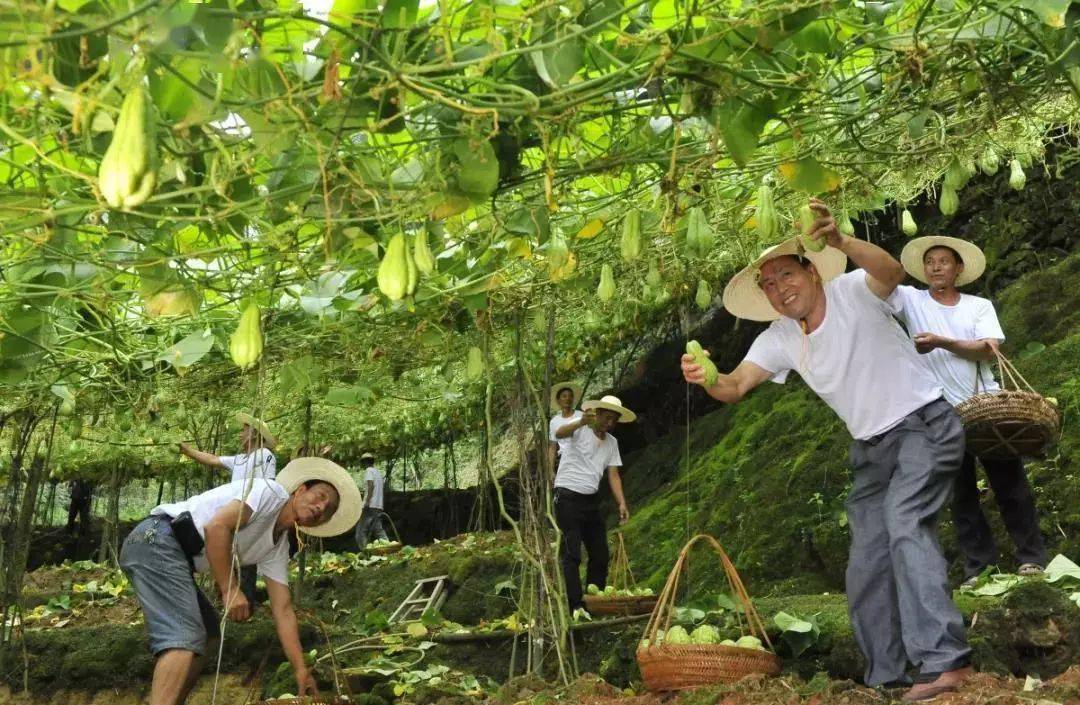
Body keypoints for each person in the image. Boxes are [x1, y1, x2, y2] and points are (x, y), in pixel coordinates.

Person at [681, 199, 971, 701]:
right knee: (866, 558)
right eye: (768, 285)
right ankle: (888, 675)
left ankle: (946, 662)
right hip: (871, 450)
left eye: (786, 275)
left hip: (924, 425)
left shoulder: (853, 290)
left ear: (812, 272)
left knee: (905, 523)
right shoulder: (779, 338)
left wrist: (842, 241)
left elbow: (892, 272)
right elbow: (734, 385)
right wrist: (705, 377)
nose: (779, 288)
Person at [119, 457, 361, 705]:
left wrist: (300, 669)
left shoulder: (277, 546)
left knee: (209, 634)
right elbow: (216, 528)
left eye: (327, 510)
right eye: (320, 496)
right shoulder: (271, 493)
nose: (321, 507)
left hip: (174, 555)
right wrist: (230, 589)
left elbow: (283, 609)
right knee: (185, 635)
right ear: (300, 490)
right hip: (156, 540)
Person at [892, 236, 1047, 585]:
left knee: (1010, 485)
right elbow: (878, 285)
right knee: (960, 494)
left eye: (944, 261)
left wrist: (941, 342)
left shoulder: (978, 306)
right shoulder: (910, 300)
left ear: (958, 268)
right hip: (938, 412)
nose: (935, 267)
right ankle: (980, 568)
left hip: (986, 407)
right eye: (929, 261)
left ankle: (1031, 558)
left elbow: (988, 349)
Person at [179, 412, 277, 605]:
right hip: (232, 515)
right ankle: (229, 604)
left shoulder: (265, 455)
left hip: (249, 514)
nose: (240, 434)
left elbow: (268, 485)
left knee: (245, 560)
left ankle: (246, 606)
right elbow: (212, 459)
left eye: (244, 430)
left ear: (255, 434)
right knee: (229, 558)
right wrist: (188, 451)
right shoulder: (240, 459)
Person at [553, 394, 634, 615]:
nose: (610, 423)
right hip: (567, 496)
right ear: (596, 414)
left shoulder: (612, 443)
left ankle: (594, 601)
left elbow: (613, 474)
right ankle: (575, 606)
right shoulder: (580, 428)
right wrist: (580, 422)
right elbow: (559, 433)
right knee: (572, 554)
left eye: (614, 420)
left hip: (590, 500)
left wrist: (622, 503)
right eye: (606, 417)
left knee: (600, 554)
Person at [547, 382, 583, 478]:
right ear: (558, 400)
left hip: (583, 457)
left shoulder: (581, 416)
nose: (568, 398)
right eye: (564, 396)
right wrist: (551, 470)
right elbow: (552, 447)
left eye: (570, 396)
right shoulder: (554, 421)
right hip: (565, 460)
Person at [355, 452, 389, 550]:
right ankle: (388, 549)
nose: (361, 465)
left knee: (360, 532)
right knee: (378, 530)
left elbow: (370, 486)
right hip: (378, 506)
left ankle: (365, 551)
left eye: (362, 463)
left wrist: (366, 502)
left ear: (365, 462)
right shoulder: (377, 473)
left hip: (370, 506)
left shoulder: (368, 471)